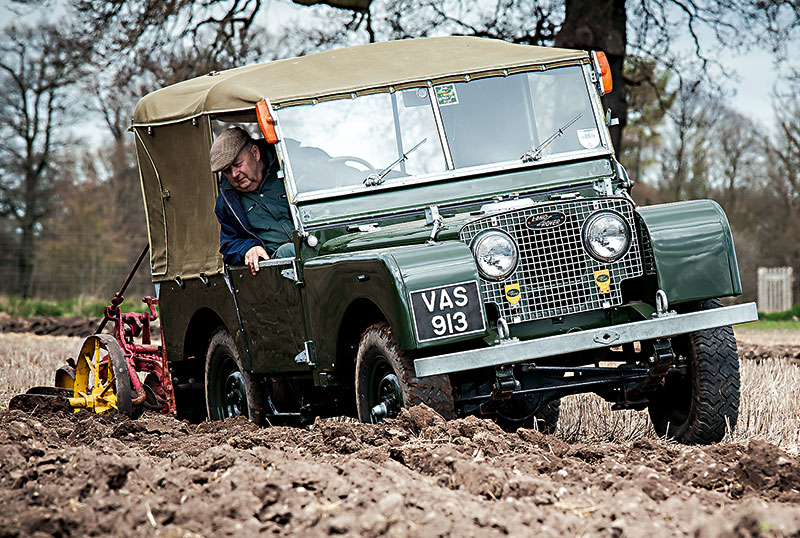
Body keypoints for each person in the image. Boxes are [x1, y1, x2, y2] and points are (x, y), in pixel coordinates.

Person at [210, 127, 295, 275]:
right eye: (227, 170)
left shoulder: (290, 163)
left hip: (316, 243)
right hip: (278, 267)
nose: (234, 174)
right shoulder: (227, 202)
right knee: (289, 251)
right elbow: (229, 244)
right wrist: (248, 248)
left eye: (237, 164)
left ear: (255, 153)